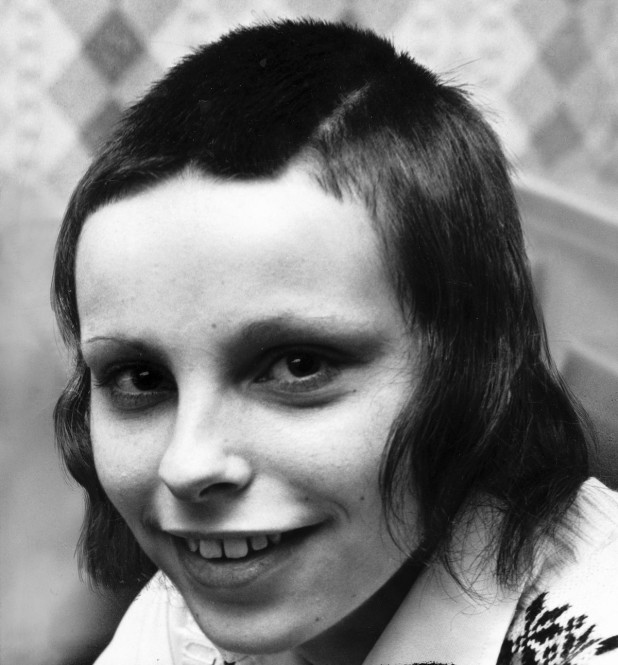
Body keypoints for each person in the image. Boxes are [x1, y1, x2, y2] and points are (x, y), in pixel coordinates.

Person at [51, 19, 618, 665]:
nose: (186, 466)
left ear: (475, 369)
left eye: (298, 365)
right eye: (141, 379)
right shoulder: (218, 576)